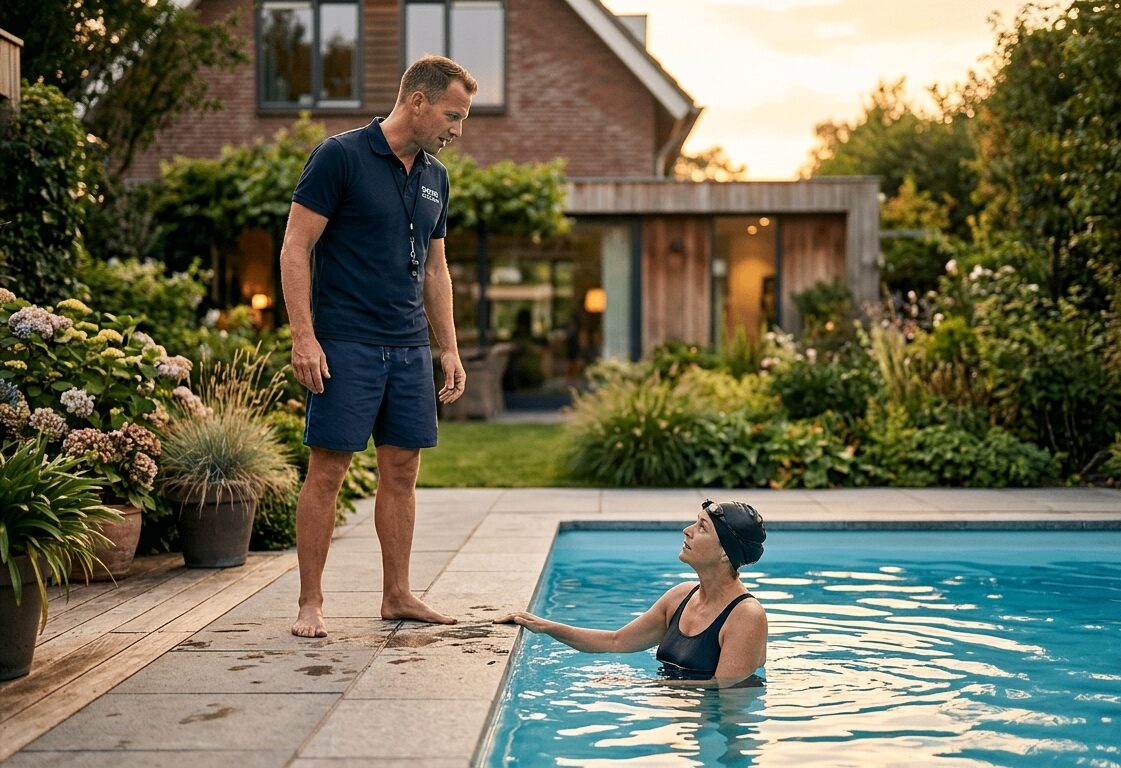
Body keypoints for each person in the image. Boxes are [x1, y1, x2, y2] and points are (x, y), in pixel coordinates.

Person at [280, 56, 478, 638]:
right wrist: (304, 336)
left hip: (410, 346)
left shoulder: (435, 177)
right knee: (328, 471)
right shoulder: (340, 156)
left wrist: (450, 349)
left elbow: (437, 270)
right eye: (452, 114)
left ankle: (398, 595)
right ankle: (310, 602)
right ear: (417, 100)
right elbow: (296, 247)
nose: (457, 129)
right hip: (346, 343)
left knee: (403, 469)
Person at [496, 499, 768, 687]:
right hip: (680, 715)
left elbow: (726, 690)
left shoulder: (745, 615)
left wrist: (637, 685)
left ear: (725, 552)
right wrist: (544, 626)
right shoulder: (680, 597)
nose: (687, 531)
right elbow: (616, 641)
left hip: (721, 731)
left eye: (701, 528)